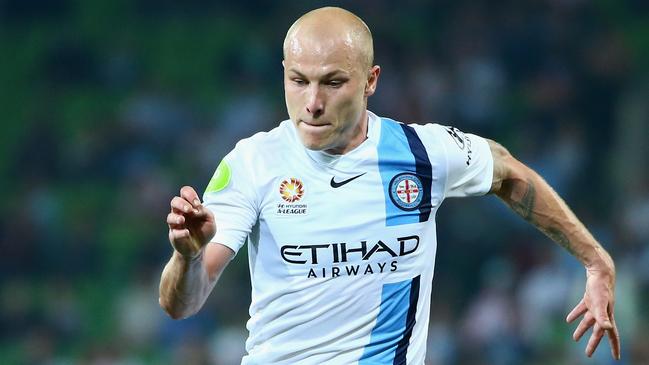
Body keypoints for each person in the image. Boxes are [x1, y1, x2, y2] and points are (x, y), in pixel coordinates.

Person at [159, 6, 621, 364]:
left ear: (371, 81)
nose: (313, 103)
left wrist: (595, 262)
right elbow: (183, 303)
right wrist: (187, 255)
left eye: (333, 82)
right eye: (298, 81)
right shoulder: (253, 163)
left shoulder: (422, 153)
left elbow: (509, 173)